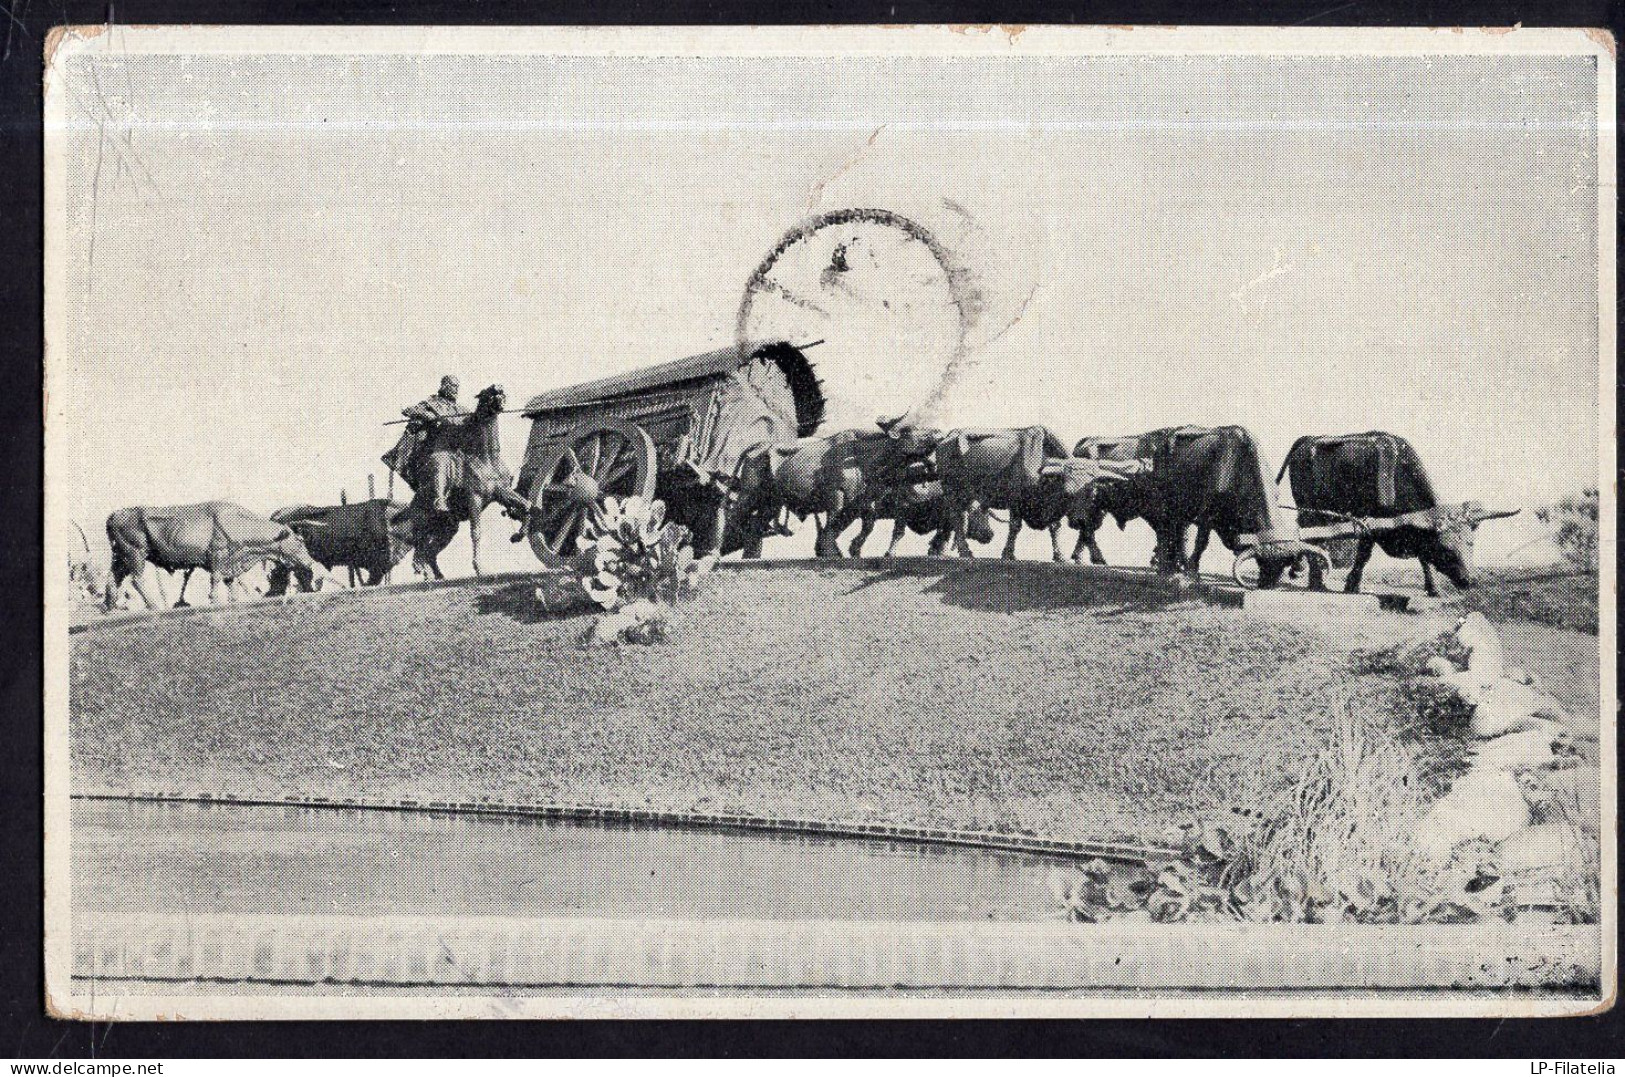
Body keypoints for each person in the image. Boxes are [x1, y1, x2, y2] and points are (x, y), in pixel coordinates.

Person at [381, 375, 468, 508]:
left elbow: (471, 421)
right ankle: (440, 499)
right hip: (437, 448)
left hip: (456, 449)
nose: (456, 389)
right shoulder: (431, 403)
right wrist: (427, 415)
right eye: (453, 385)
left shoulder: (460, 409)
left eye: (457, 386)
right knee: (441, 461)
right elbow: (408, 410)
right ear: (444, 386)